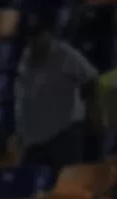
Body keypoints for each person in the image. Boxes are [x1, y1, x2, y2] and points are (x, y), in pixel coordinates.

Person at [14, 24, 99, 170]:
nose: (34, 42)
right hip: (33, 140)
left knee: (66, 185)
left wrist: (91, 111)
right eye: (30, 38)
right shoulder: (26, 57)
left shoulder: (64, 53)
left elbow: (91, 79)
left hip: (63, 135)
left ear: (48, 34)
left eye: (37, 36)